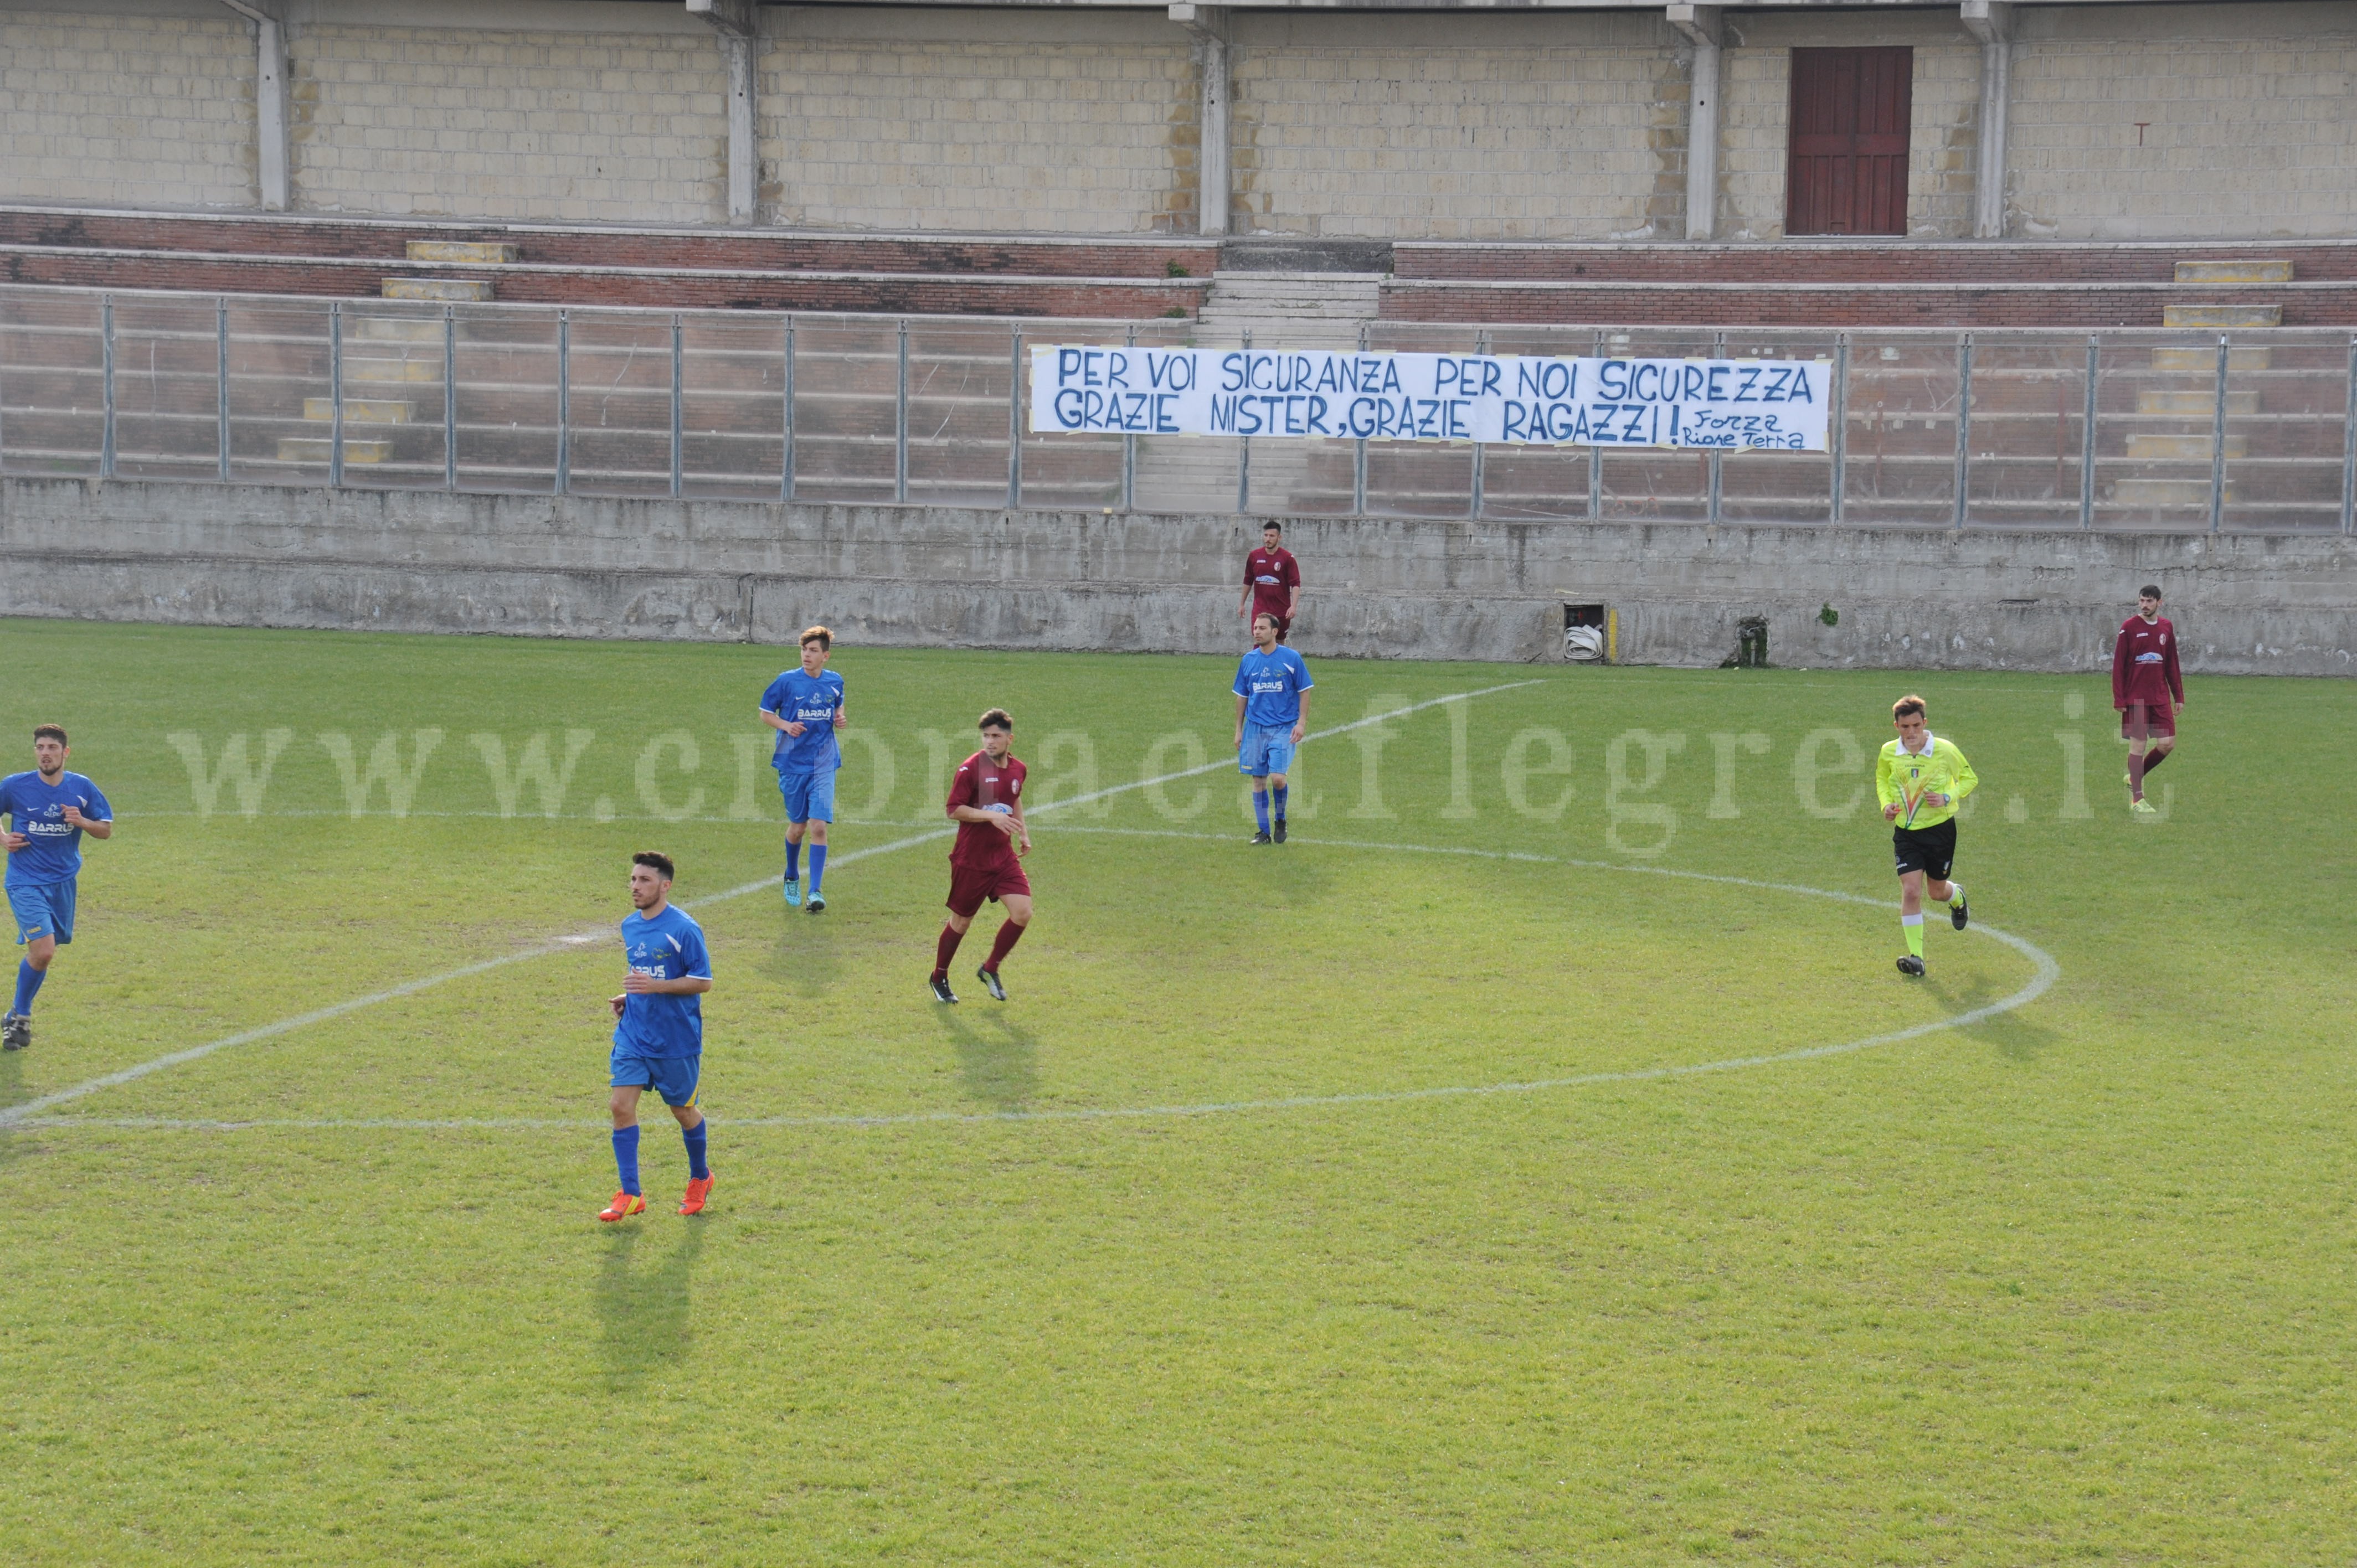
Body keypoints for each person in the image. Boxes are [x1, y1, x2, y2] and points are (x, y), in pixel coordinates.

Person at [600, 851, 714, 1221]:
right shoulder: (629, 926)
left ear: (665, 886)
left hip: (676, 1040)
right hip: (635, 1032)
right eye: (633, 879)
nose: (635, 887)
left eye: (644, 880)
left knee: (682, 1110)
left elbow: (703, 981)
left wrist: (657, 987)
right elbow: (644, 972)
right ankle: (631, 1194)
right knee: (620, 1107)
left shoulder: (684, 928)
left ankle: (701, 1176)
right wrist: (631, 995)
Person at [0, 725, 112, 1052]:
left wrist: (83, 822)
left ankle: (13, 1014)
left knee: (44, 956)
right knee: (44, 950)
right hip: (24, 881)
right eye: (40, 747)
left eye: (51, 747)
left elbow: (105, 830)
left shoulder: (81, 787)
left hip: (63, 882)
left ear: (65, 752)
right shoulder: (15, 786)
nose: (45, 753)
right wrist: (4, 839)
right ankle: (21, 1020)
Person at [930, 709, 1031, 1004]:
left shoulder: (1018, 769)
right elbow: (954, 810)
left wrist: (1023, 832)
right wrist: (990, 817)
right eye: (986, 736)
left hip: (1002, 857)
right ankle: (939, 976)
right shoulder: (970, 769)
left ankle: (990, 969)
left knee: (1023, 912)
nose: (990, 741)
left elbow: (1015, 797)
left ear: (1009, 739)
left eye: (996, 736)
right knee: (962, 922)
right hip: (971, 860)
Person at [1874, 695, 1977, 979]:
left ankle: (1956, 897)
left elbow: (1970, 779)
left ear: (1925, 723)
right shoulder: (1889, 752)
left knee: (1936, 892)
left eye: (1916, 726)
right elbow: (1882, 779)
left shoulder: (1945, 751)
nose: (1911, 733)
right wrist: (1886, 805)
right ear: (1896, 726)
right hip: (1906, 834)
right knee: (1911, 891)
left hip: (1940, 832)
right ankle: (1916, 958)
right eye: (1905, 727)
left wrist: (1947, 797)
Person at [759, 626, 848, 911]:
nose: (806, 656)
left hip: (823, 761)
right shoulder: (787, 682)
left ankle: (815, 891)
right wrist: (786, 725)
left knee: (818, 826)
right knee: (798, 828)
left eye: (812, 651)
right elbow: (765, 713)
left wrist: (840, 717)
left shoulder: (835, 681)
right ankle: (791, 874)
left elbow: (838, 705)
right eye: (804, 650)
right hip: (791, 761)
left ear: (826, 656)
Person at [1232, 612, 1313, 845]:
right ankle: (1263, 832)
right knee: (1258, 781)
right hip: (1255, 728)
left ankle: (1280, 818)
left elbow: (1305, 690)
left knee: (1278, 778)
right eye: (1255, 628)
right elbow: (1242, 696)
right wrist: (1238, 729)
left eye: (1262, 628)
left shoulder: (1291, 659)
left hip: (1283, 727)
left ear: (1275, 632)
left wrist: (1301, 723)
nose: (1256, 631)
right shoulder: (1248, 660)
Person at [2113, 585, 2185, 816]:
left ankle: (2134, 776)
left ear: (2159, 603)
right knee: (2138, 745)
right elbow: (2118, 666)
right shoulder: (2129, 628)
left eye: (2149, 602)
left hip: (2160, 697)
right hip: (2136, 699)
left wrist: (2178, 695)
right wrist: (2119, 698)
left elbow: (2171, 663)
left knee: (2168, 744)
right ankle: (2137, 799)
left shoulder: (2166, 627)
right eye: (2142, 601)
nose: (2144, 605)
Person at [1241, 521, 1302, 643]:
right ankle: (1260, 663)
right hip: (1260, 609)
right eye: (1266, 535)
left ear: (1279, 538)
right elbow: (1248, 580)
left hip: (1281, 610)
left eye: (1272, 536)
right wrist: (1242, 604)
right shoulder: (1254, 556)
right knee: (1259, 641)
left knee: (1279, 644)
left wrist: (1293, 606)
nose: (1268, 539)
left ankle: (1278, 663)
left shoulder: (1287, 558)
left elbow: (1295, 583)